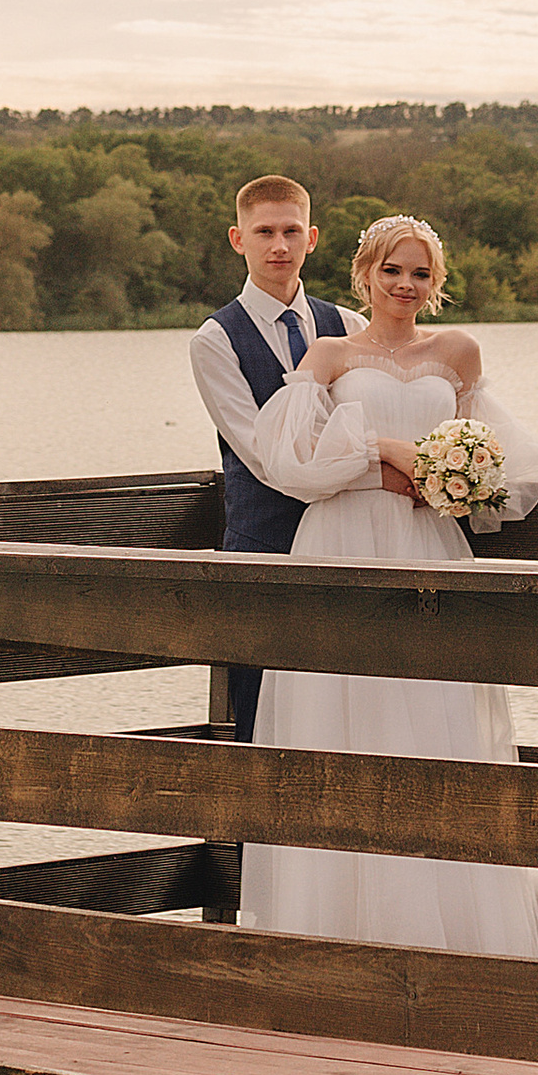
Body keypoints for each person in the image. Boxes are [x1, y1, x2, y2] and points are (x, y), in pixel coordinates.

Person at [238, 211, 538, 959]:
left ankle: (454, 937)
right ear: (365, 274)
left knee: (439, 716)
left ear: (436, 282)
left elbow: (494, 463)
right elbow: (291, 460)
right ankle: (336, 932)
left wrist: (456, 480)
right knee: (343, 717)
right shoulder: (330, 354)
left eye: (420, 272)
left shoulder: (457, 352)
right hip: (340, 548)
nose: (405, 284)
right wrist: (387, 450)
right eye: (392, 270)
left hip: (428, 546)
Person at [188, 175, 357, 743]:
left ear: (313, 238)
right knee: (262, 716)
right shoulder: (215, 340)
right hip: (265, 544)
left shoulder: (349, 326)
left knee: (347, 705)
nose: (279, 246)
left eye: (291, 231)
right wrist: (369, 465)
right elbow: (265, 456)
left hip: (350, 543)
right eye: (264, 232)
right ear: (238, 239)